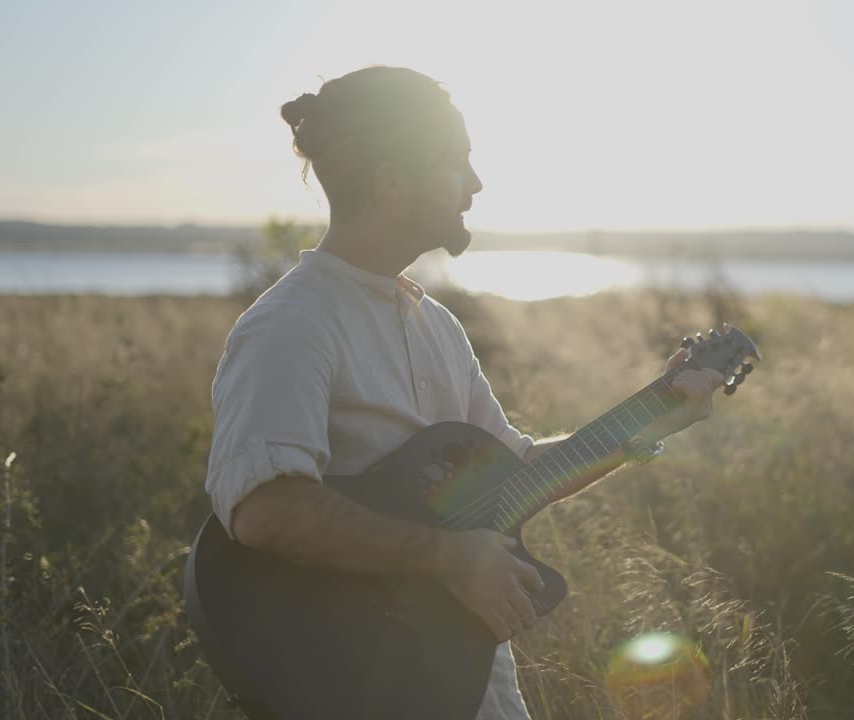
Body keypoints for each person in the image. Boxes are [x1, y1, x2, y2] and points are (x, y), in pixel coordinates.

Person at [204, 65, 724, 719]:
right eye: (457, 165)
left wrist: (653, 418)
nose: (476, 185)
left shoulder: (435, 325)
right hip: (359, 691)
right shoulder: (291, 325)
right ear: (393, 180)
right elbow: (264, 510)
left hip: (464, 682)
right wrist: (449, 556)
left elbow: (515, 473)